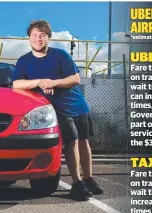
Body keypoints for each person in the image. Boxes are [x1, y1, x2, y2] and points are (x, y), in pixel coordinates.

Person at [12, 20, 103, 201]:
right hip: (57, 109)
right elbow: (16, 84)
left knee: (84, 142)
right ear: (29, 37)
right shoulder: (23, 61)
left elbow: (76, 78)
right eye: (35, 35)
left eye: (43, 35)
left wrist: (53, 83)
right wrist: (39, 82)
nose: (39, 38)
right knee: (72, 142)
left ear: (48, 37)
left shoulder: (60, 55)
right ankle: (77, 184)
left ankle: (88, 179)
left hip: (78, 105)